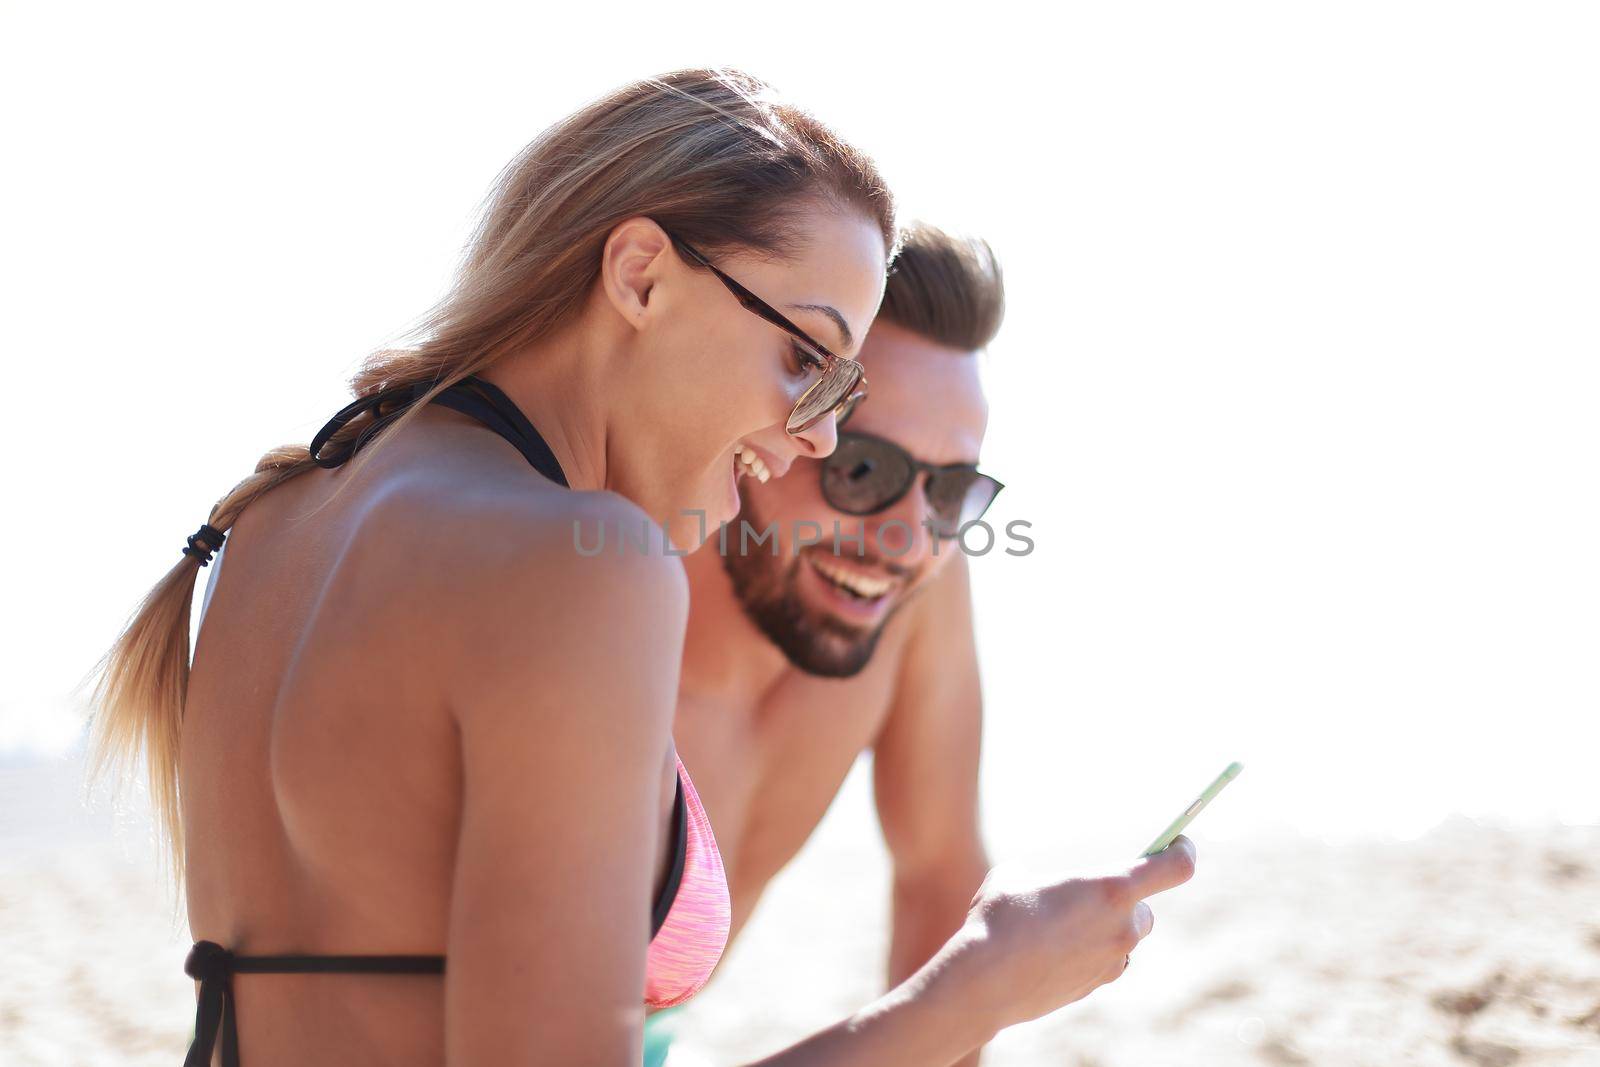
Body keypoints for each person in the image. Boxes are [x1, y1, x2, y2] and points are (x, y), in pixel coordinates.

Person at [90, 69, 1196, 1067]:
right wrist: (975, 992)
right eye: (806, 360)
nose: (813, 436)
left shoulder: (280, 516)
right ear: (639, 274)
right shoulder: (589, 571)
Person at [652, 223, 1006, 1065]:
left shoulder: (913, 593)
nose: (907, 540)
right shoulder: (598, 593)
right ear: (767, 436)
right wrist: (990, 983)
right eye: (862, 469)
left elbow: (939, 872)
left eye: (951, 492)